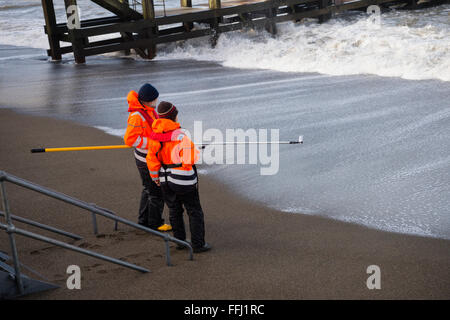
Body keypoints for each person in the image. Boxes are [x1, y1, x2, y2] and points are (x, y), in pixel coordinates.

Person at [146, 101, 211, 253]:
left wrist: (156, 178)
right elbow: (190, 159)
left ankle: (179, 241)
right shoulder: (181, 135)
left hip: (165, 179)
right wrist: (195, 149)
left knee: (174, 210)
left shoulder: (155, 135)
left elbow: (152, 159)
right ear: (173, 116)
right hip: (183, 178)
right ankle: (198, 244)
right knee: (194, 210)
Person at [123, 83, 173, 232]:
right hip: (145, 159)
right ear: (148, 100)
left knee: (148, 190)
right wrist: (152, 143)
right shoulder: (137, 116)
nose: (157, 101)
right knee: (156, 192)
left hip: (149, 157)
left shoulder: (148, 110)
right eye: (155, 99)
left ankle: (143, 220)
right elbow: (129, 140)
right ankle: (155, 223)